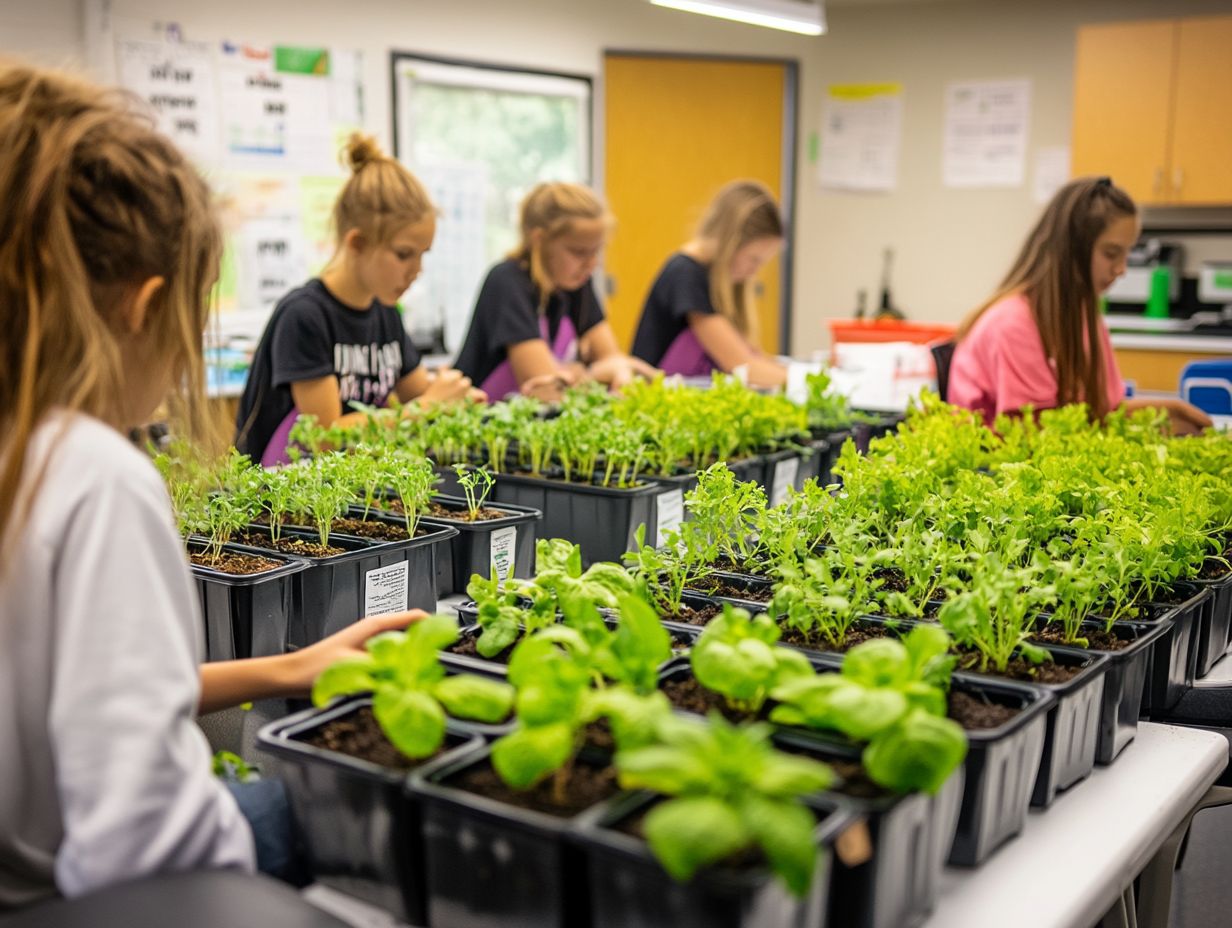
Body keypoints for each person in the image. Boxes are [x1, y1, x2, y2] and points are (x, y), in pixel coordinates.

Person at [0, 63, 425, 911]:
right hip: (64, 895)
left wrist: (291, 665)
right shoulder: (92, 477)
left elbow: (79, 697)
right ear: (145, 304)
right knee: (357, 800)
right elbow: (147, 847)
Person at [235, 133, 479, 466]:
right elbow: (325, 437)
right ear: (357, 243)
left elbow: (418, 392)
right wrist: (426, 408)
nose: (417, 270)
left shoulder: (385, 313)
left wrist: (457, 396)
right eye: (404, 254)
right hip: (279, 500)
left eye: (423, 255)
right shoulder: (305, 316)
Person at [949, 176, 1212, 434]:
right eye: (1111, 253)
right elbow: (1036, 433)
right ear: (1070, 251)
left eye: (1127, 254)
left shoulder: (1083, 315)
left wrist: (1164, 412)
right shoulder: (1013, 323)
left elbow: (1100, 412)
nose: (1121, 269)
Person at [453, 181, 655, 402]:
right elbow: (546, 386)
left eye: (596, 251)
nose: (591, 264)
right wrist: (591, 373)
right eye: (579, 252)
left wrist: (591, 372)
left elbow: (613, 360)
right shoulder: (506, 281)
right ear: (539, 240)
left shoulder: (576, 284)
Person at [631, 180, 787, 388]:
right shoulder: (685, 275)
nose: (754, 271)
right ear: (730, 242)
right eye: (754, 259)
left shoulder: (714, 277)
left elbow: (753, 356)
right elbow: (741, 365)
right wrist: (812, 381)